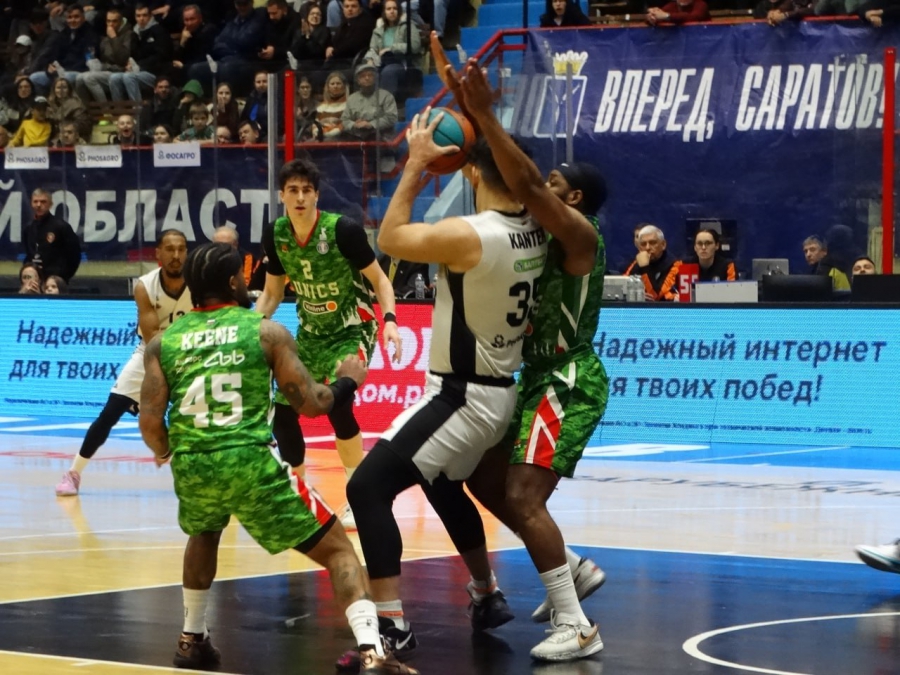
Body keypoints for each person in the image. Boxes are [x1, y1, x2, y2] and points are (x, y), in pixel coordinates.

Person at [139, 242, 416, 675]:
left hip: (192, 463)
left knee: (204, 533)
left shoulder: (162, 343)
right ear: (232, 281)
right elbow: (311, 403)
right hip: (248, 460)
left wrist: (168, 453)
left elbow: (151, 423)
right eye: (241, 276)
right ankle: (372, 652)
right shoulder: (265, 332)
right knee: (340, 550)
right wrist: (347, 382)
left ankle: (192, 638)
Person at [343, 112, 548, 664]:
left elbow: (389, 239)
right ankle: (486, 593)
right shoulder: (535, 226)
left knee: (367, 488)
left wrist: (416, 163)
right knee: (440, 483)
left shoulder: (473, 234)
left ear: (472, 173)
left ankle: (392, 627)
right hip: (498, 388)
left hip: (463, 394)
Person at [453, 61, 607, 661]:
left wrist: (484, 115)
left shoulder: (580, 234)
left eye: (553, 182)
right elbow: (510, 185)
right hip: (534, 376)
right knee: (479, 474)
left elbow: (526, 187)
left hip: (567, 377)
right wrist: (470, 132)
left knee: (522, 496)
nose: (541, 183)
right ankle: (569, 566)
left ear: (575, 198)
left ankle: (577, 624)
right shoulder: (534, 232)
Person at [254, 159, 403, 530]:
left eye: (307, 190)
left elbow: (381, 281)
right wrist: (249, 327)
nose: (300, 197)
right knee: (283, 412)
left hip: (353, 329)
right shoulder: (276, 234)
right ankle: (298, 495)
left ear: (317, 195)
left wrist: (390, 320)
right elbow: (272, 293)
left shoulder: (342, 231)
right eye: (293, 190)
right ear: (282, 195)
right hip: (310, 333)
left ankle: (358, 497)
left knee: (337, 403)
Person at [54, 230, 191, 497]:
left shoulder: (199, 282)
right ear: (158, 254)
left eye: (181, 249)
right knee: (109, 413)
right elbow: (152, 338)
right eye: (170, 249)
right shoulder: (145, 285)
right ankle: (73, 473)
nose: (176, 255)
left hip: (189, 353)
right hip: (150, 353)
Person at [23, 188, 81, 283]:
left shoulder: (61, 227)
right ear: (31, 204)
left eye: (43, 202)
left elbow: (74, 256)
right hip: (34, 281)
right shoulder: (28, 228)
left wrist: (62, 277)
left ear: (50, 204)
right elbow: (28, 254)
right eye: (35, 201)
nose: (39, 205)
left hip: (54, 282)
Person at [623, 225, 682, 301]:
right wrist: (637, 295)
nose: (647, 248)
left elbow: (654, 297)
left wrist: (645, 268)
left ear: (663, 244)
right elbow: (622, 288)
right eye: (643, 244)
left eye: (652, 243)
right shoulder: (637, 263)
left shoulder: (675, 265)